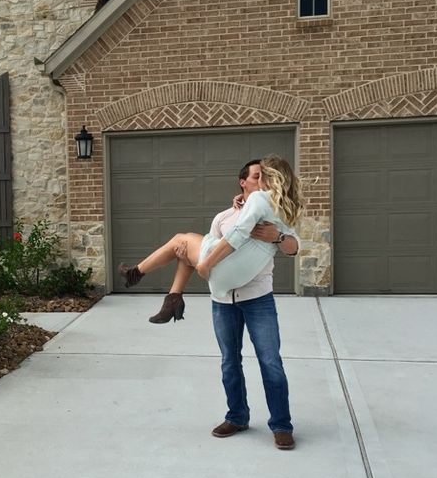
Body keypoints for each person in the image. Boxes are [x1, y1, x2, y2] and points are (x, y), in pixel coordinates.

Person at [119, 156, 302, 450]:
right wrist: (202, 262)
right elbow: (213, 253)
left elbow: (294, 248)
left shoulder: (275, 211)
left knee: (271, 362)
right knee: (230, 362)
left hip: (258, 300)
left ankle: (281, 425)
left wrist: (277, 236)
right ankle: (237, 416)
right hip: (223, 301)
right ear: (243, 182)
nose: (259, 181)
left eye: (263, 176)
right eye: (254, 177)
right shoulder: (224, 217)